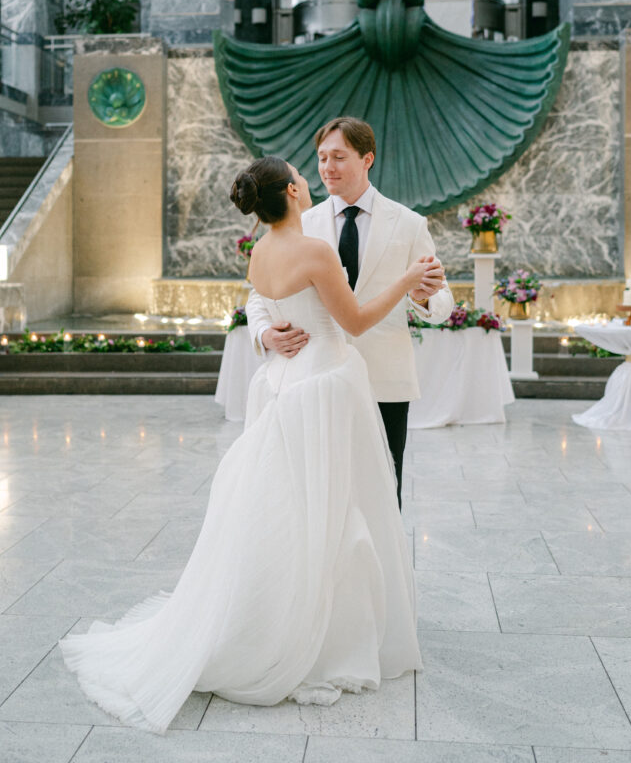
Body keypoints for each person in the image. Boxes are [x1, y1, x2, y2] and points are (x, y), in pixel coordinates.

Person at [60, 155, 430, 732]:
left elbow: (269, 301)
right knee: (328, 514)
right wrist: (407, 282)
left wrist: (270, 329)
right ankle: (317, 635)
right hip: (324, 386)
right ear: (290, 190)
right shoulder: (315, 249)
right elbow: (353, 322)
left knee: (291, 509)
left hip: (286, 384)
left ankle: (279, 617)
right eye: (303, 176)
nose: (312, 178)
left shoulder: (261, 250)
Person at [246, 117, 453, 506]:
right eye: (322, 158)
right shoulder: (299, 221)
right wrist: (264, 334)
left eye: (339, 157)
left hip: (384, 379)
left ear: (367, 159)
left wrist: (425, 298)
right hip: (316, 379)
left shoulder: (409, 224)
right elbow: (258, 295)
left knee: (383, 495)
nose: (327, 168)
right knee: (321, 492)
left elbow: (443, 301)